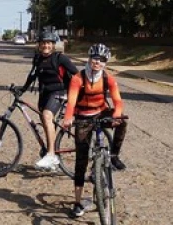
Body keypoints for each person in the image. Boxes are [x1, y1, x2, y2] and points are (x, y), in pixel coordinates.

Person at [61, 43, 128, 218]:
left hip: (101, 113)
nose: (97, 62)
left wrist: (116, 115)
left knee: (122, 122)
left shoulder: (108, 79)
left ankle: (113, 156)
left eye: (101, 60)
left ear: (106, 62)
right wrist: (68, 118)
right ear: (89, 59)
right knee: (81, 160)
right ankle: (77, 202)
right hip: (83, 116)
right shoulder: (78, 78)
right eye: (94, 58)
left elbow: (118, 102)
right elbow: (71, 102)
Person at [18, 30, 78, 170]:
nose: (46, 46)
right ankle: (51, 157)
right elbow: (32, 76)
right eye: (43, 43)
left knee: (47, 116)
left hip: (59, 92)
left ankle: (51, 154)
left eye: (49, 43)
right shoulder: (38, 58)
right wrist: (22, 90)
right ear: (39, 45)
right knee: (46, 123)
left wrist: (78, 92)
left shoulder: (60, 58)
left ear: (53, 45)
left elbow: (77, 74)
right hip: (44, 94)